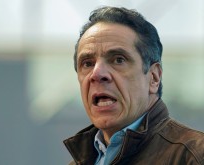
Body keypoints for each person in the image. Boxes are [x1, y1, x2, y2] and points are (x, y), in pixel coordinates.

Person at [63, 6, 204, 165]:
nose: (97, 74)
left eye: (118, 60)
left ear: (154, 78)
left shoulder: (194, 157)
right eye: (87, 63)